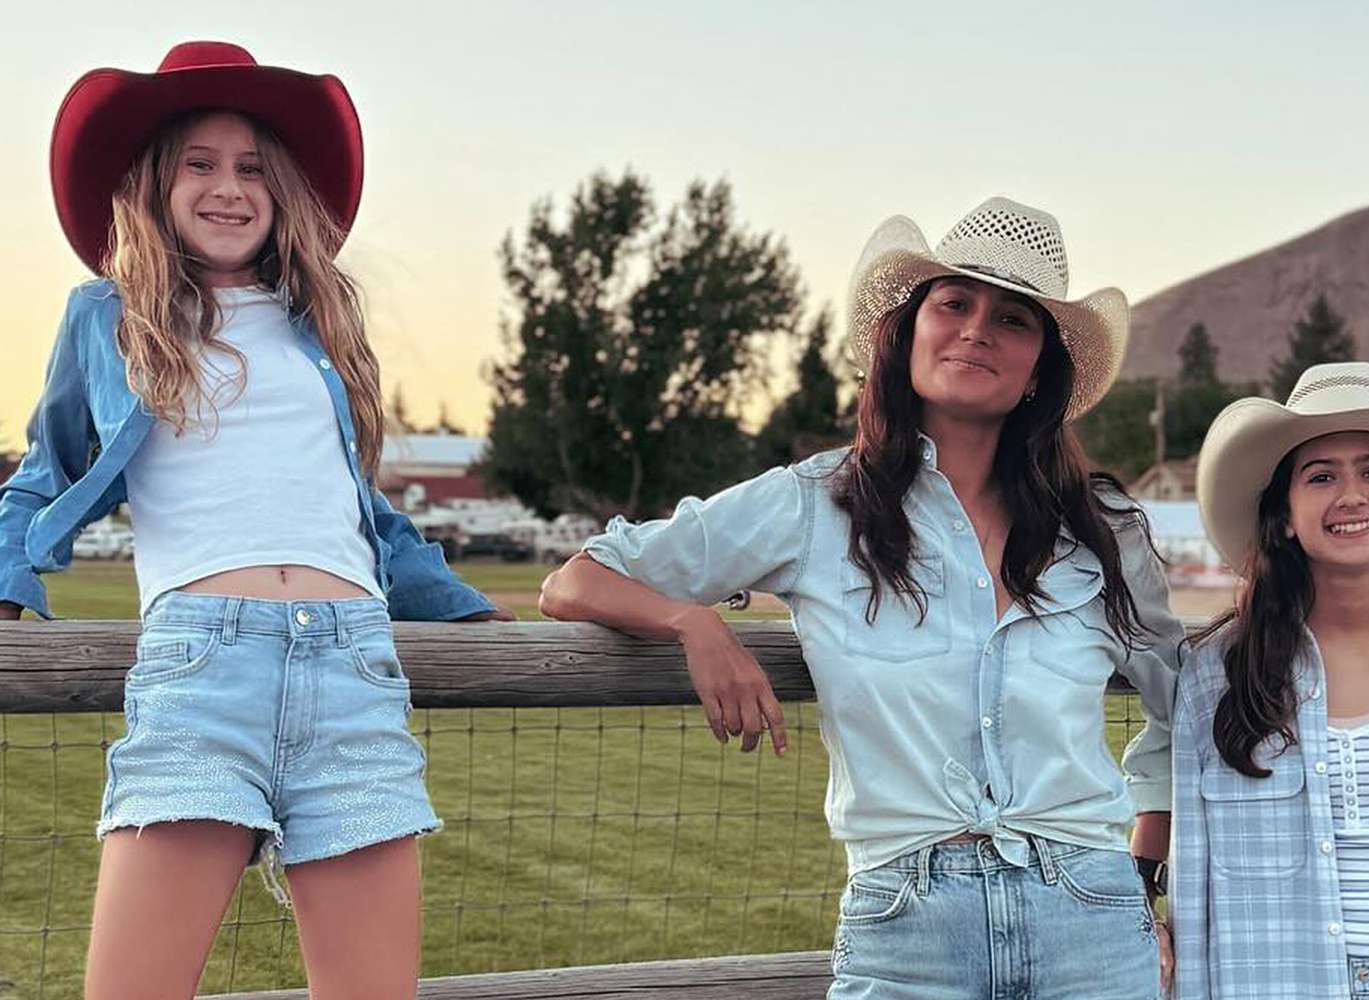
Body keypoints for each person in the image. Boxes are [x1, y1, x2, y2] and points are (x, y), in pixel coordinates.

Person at [540, 197, 1181, 998]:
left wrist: (1146, 872)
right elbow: (575, 580)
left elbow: (1185, 705)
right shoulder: (814, 504)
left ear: (1039, 372)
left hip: (1091, 917)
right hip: (908, 920)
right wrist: (688, 620)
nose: (977, 329)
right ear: (907, 333)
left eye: (1014, 320)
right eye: (954, 304)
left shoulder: (1102, 527)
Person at [0, 41, 511, 1000]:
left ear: (279, 191)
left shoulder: (317, 326)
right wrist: (4, 590)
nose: (227, 188)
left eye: (250, 168)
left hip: (353, 669)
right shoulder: (108, 319)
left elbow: (359, 510)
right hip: (202, 670)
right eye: (200, 163)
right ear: (156, 184)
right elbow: (42, 476)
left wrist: (467, 608)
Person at [1171, 361, 1369, 999]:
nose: (1350, 495)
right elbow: (1194, 860)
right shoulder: (1221, 671)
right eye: (1320, 476)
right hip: (1279, 978)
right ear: (1286, 517)